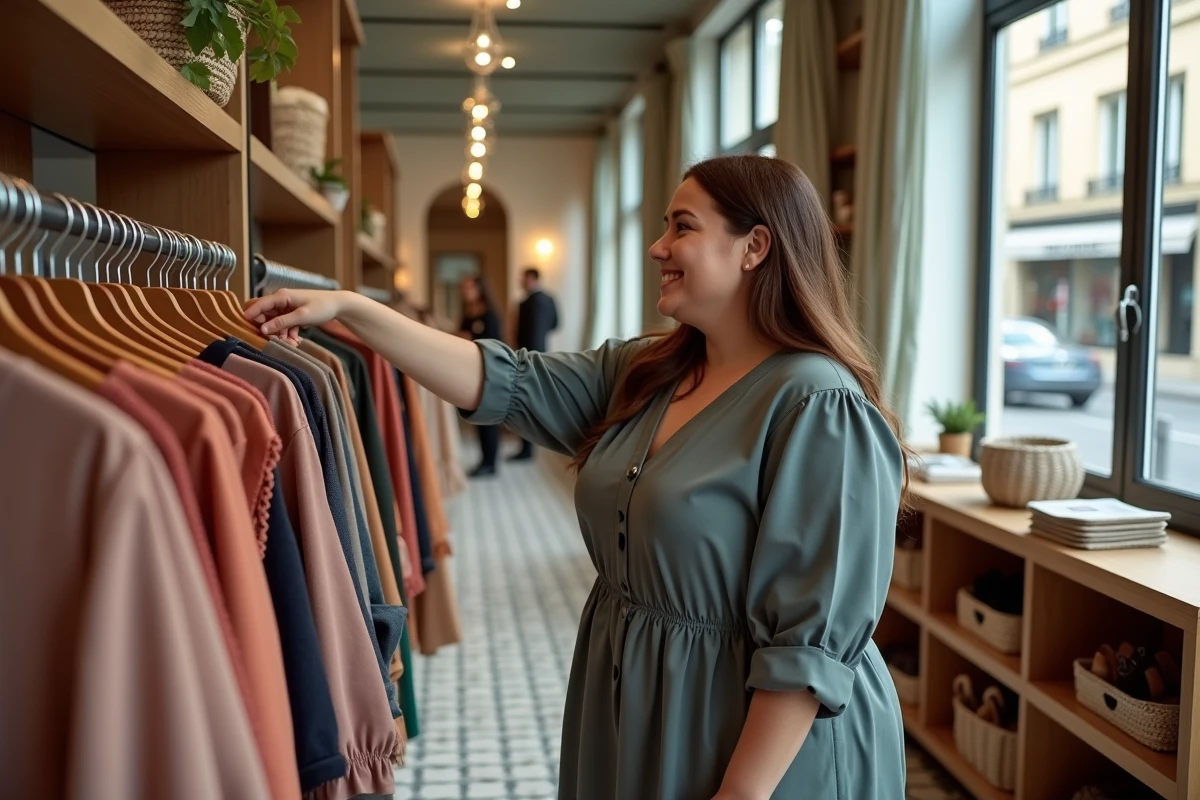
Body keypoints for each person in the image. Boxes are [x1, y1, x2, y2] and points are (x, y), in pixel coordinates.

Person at [245, 154, 911, 799]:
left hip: (751, 735)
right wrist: (353, 312)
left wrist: (742, 790)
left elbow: (808, 646)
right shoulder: (652, 371)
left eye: (682, 226)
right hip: (635, 693)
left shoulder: (819, 405)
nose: (656, 246)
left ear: (754, 247)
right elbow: (503, 380)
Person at [456, 275, 503, 477]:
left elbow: (492, 345)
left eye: (469, 287)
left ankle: (490, 462)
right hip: (472, 371)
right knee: (478, 417)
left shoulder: (489, 315)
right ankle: (485, 460)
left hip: (489, 373)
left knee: (489, 418)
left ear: (479, 289)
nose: (465, 291)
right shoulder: (469, 313)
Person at [510, 267, 559, 461]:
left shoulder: (525, 303)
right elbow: (556, 323)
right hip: (543, 354)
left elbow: (521, 333)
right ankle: (533, 446)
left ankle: (527, 448)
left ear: (531, 278)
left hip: (526, 356)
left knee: (525, 401)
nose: (520, 282)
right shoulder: (550, 299)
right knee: (536, 399)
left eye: (522, 278)